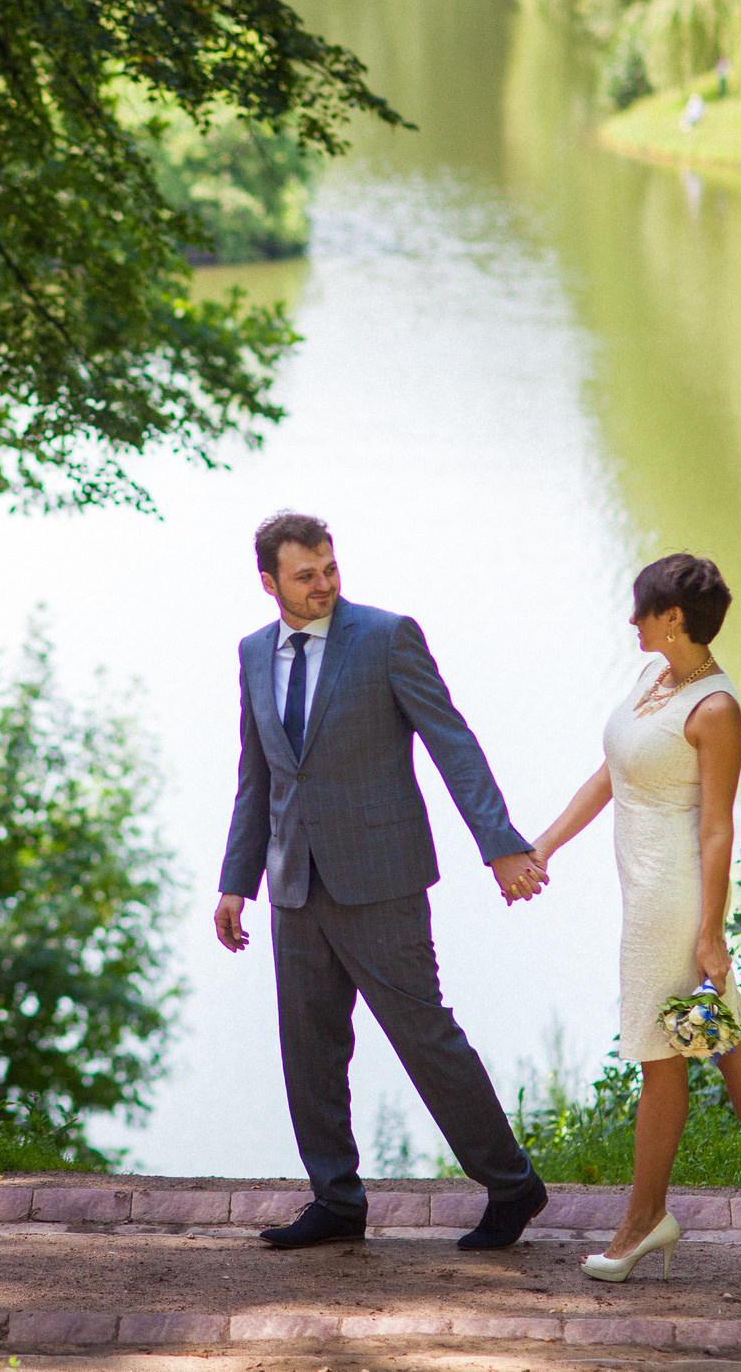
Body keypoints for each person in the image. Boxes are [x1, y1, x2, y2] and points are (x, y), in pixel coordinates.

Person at [215, 510, 552, 1253]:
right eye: (306, 575)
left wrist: (498, 842)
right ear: (269, 582)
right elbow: (258, 773)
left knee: (426, 1036)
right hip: (293, 883)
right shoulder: (251, 653)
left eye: (330, 568)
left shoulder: (388, 636)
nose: (324, 584)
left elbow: (451, 740)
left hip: (384, 879)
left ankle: (512, 1183)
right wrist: (237, 879)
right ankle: (335, 1199)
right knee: (308, 1047)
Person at [525, 554, 741, 1282]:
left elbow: (718, 827)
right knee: (723, 1038)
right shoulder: (654, 679)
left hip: (674, 900)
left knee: (662, 1060)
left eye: (642, 609)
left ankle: (643, 1221)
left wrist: (711, 930)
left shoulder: (715, 708)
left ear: (674, 619)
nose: (631, 620)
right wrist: (544, 842)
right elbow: (611, 772)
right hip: (646, 889)